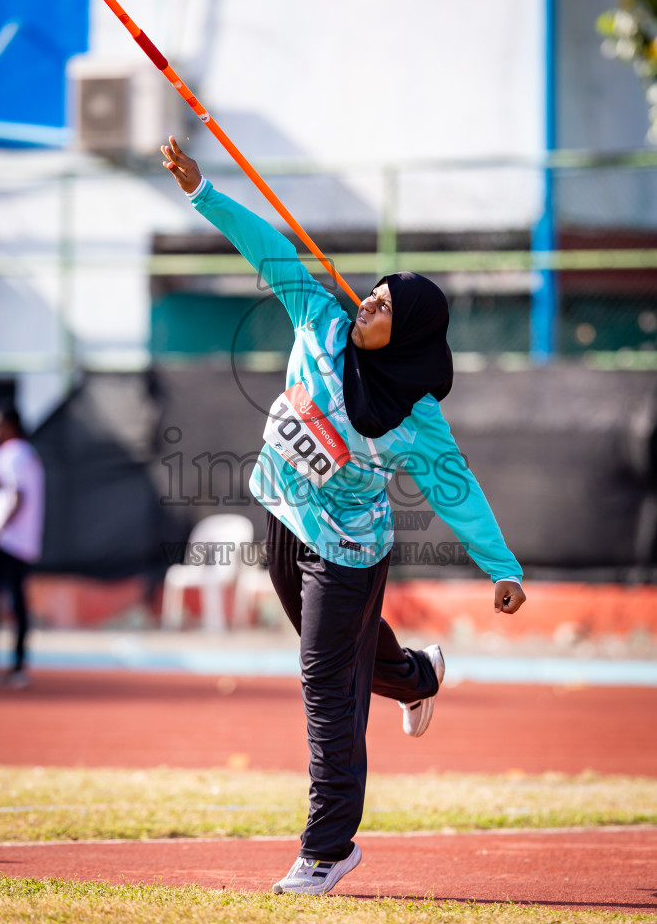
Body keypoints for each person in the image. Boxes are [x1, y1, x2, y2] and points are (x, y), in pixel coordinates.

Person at [162, 136, 526, 895]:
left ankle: (328, 848)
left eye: (385, 307)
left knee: (325, 683)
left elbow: (454, 488)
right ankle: (416, 676)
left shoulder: (414, 416)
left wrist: (500, 567)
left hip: (350, 553)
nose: (367, 302)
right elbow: (269, 249)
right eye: (373, 292)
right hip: (283, 518)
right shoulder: (320, 319)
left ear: (410, 334)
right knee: (342, 661)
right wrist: (202, 194)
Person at [0, 406, 45, 688]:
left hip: (8, 543)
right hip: (23, 542)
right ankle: (16, 665)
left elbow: (17, 494)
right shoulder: (26, 453)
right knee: (13, 602)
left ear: (10, 425)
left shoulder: (11, 453)